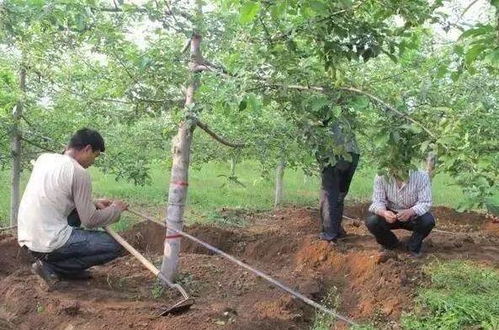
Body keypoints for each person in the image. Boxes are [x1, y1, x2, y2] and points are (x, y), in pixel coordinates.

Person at [17, 128, 128, 287]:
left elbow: (56, 194)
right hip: (48, 242)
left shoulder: (44, 158)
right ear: (87, 149)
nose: (93, 161)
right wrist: (116, 209)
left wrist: (93, 202)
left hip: (27, 237)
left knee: (76, 214)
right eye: (95, 156)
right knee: (113, 246)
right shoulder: (79, 172)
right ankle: (55, 267)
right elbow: (90, 220)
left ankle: (57, 265)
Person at [365, 170, 435, 257]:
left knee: (427, 221)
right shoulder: (381, 176)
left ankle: (413, 247)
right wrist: (384, 213)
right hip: (390, 214)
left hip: (412, 215)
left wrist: (410, 211)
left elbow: (425, 202)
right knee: (372, 221)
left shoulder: (421, 176)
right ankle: (391, 244)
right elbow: (378, 201)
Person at [318, 119, 360, 243]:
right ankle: (336, 230)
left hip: (334, 153)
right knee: (340, 194)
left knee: (329, 193)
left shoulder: (322, 108)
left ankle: (329, 234)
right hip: (353, 154)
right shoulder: (342, 110)